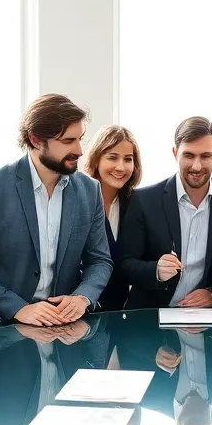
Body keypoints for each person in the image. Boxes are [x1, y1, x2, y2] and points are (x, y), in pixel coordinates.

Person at [0, 93, 114, 334]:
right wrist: (18, 308)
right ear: (35, 140)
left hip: (62, 330)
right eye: (68, 141)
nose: (79, 150)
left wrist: (82, 297)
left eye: (80, 138)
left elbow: (100, 260)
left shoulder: (89, 190)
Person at [118, 116, 212, 309]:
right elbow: (124, 264)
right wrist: (155, 270)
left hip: (203, 317)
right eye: (189, 155)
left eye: (206, 156)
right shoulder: (144, 200)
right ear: (175, 153)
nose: (197, 166)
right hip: (150, 316)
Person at [82, 124, 142, 311]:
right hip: (81, 307)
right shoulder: (79, 200)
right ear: (96, 160)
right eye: (112, 157)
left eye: (128, 159)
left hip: (123, 311)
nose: (121, 167)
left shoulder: (138, 203)